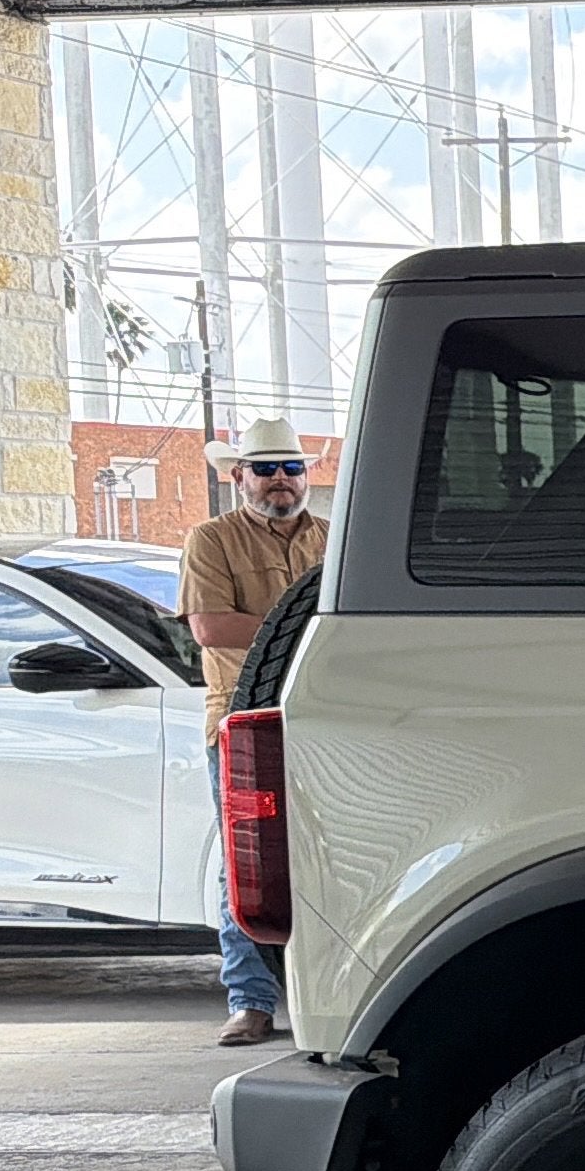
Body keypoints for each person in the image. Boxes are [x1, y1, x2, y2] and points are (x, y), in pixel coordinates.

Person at [182, 420, 329, 1045]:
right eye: (265, 469)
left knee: (331, 857)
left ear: (306, 476)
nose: (279, 481)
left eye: (290, 469)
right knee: (245, 867)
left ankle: (320, 993)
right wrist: (314, 625)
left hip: (325, 710)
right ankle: (250, 1000)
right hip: (246, 720)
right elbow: (211, 628)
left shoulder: (334, 537)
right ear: (237, 476)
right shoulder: (212, 539)